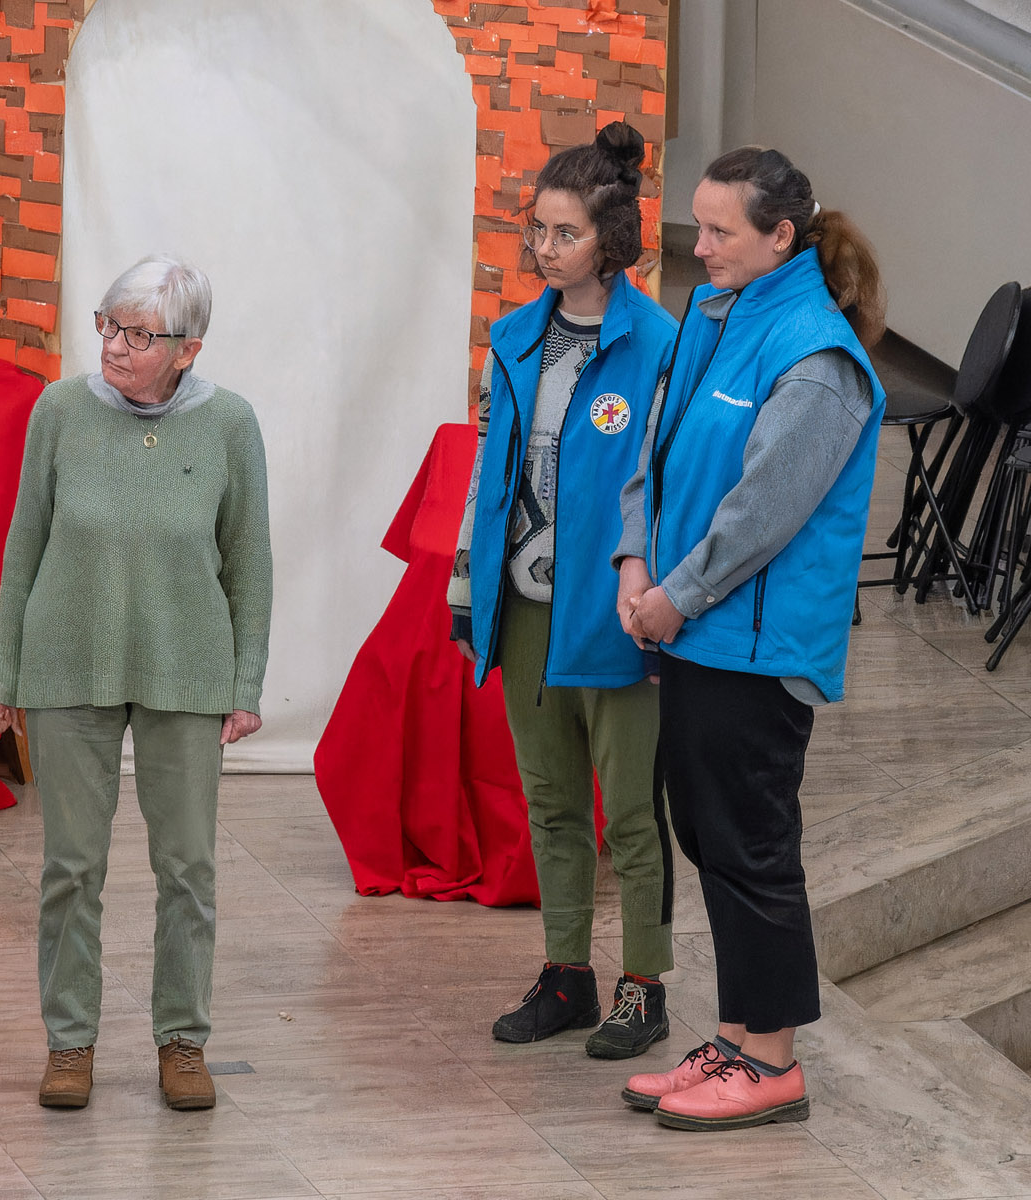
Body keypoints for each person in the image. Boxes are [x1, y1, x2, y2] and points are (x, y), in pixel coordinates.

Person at [614, 146, 886, 1130]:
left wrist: (675, 598)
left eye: (720, 229)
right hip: (692, 628)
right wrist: (633, 563)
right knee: (709, 836)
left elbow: (764, 509)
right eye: (699, 222)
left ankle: (772, 1062)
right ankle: (736, 1040)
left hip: (755, 645)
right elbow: (655, 452)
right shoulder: (715, 317)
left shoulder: (817, 359)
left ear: (781, 237)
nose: (700, 244)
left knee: (751, 843)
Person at [0, 254, 272, 1112]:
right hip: (66, 663)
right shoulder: (59, 411)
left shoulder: (231, 424)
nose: (114, 345)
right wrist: (6, 672)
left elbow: (249, 561)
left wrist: (246, 681)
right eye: (110, 324)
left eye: (140, 335)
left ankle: (183, 1040)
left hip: (188, 667)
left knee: (187, 867)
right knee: (71, 866)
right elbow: (23, 545)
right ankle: (69, 1042)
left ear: (188, 349)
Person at [447, 122, 680, 1060]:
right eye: (537, 230)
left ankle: (644, 987)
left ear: (611, 239)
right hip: (524, 606)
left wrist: (660, 599)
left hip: (615, 614)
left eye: (566, 233)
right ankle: (567, 975)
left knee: (630, 813)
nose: (545, 249)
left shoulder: (660, 345)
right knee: (550, 804)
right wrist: (468, 585)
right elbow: (487, 471)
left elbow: (667, 486)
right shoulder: (513, 340)